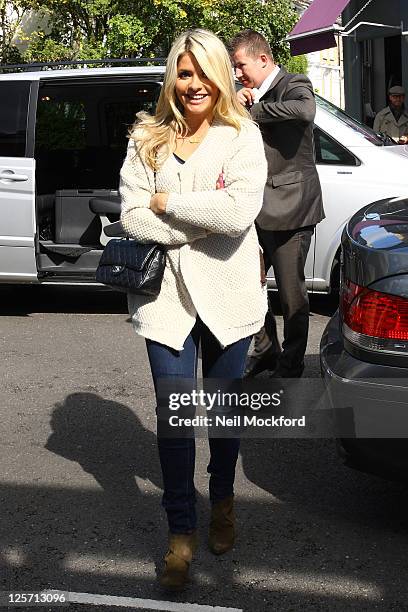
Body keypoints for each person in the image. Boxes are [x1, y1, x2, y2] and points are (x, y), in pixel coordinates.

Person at [119, 29, 267, 590]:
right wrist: (187, 222)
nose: (194, 84)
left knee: (224, 415)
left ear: (221, 76)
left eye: (204, 72)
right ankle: (180, 532)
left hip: (228, 296)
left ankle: (223, 501)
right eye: (184, 74)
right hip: (166, 301)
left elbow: (239, 212)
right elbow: (132, 214)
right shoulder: (146, 138)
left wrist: (171, 204)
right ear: (172, 79)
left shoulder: (241, 136)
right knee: (175, 420)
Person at [229, 29, 324, 378]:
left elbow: (305, 110)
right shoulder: (247, 94)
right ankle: (267, 350)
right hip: (254, 209)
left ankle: (292, 363)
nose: (238, 73)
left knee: (291, 295)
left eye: (241, 65)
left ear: (263, 59)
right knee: (250, 286)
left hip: (291, 208)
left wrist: (254, 109)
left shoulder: (293, 83)